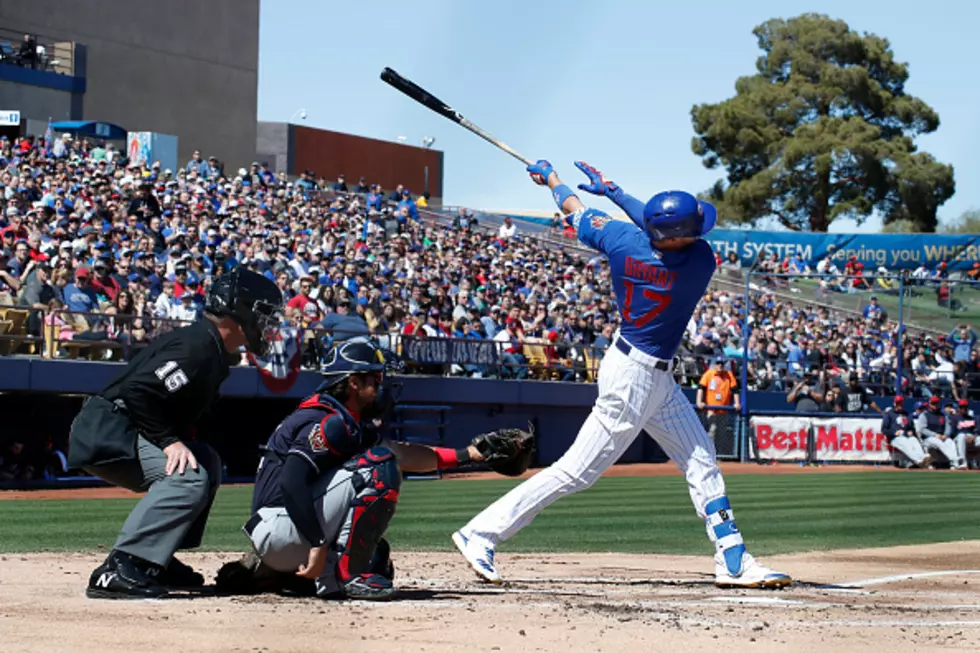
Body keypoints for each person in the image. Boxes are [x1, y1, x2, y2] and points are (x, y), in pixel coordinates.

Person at [452, 159, 790, 588]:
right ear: (680, 236)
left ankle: (733, 558)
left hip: (644, 372)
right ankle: (480, 532)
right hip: (635, 379)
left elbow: (574, 209)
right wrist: (615, 191)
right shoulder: (699, 261)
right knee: (576, 471)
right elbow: (660, 227)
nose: (701, 230)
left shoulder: (621, 241)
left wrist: (553, 180)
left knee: (701, 459)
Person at [216, 337, 523, 601]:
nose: (381, 385)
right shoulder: (328, 420)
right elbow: (292, 480)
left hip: (283, 530)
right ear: (353, 382)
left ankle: (272, 574)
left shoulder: (345, 419)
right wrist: (318, 544)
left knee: (377, 558)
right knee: (379, 465)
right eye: (375, 378)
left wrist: (470, 454)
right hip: (283, 526)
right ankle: (346, 578)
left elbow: (402, 454)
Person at [67, 268, 285, 599]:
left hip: (123, 425)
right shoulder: (198, 346)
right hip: (109, 428)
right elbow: (138, 393)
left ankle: (158, 558)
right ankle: (122, 565)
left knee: (205, 460)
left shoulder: (211, 347)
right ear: (239, 310)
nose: (268, 324)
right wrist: (169, 442)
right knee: (188, 476)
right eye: (263, 314)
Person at [696, 356, 740, 444]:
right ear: (714, 364)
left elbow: (735, 390)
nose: (720, 365)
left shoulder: (728, 375)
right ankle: (709, 452)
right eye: (718, 363)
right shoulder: (709, 374)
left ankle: (719, 455)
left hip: (724, 410)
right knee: (712, 429)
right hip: (711, 409)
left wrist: (737, 403)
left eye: (722, 364)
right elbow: (701, 388)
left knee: (722, 432)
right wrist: (699, 401)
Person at [880, 396, 930, 469]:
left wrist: (911, 432)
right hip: (895, 438)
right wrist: (894, 432)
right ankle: (918, 460)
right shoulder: (889, 414)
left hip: (907, 436)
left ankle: (922, 458)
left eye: (901, 403)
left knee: (914, 440)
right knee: (904, 442)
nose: (899, 405)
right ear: (894, 404)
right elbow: (884, 430)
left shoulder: (907, 414)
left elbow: (912, 428)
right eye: (898, 403)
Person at [914, 396, 959, 469]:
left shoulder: (943, 415)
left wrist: (946, 434)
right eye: (933, 403)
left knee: (950, 441)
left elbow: (948, 427)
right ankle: (954, 459)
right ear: (930, 404)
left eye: (936, 403)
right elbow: (922, 429)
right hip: (928, 439)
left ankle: (954, 464)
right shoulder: (925, 414)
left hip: (941, 436)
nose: (935, 405)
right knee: (938, 441)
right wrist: (934, 435)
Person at [950, 399, 977, 470]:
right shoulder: (954, 418)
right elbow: (953, 432)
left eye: (965, 407)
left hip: (971, 437)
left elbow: (976, 431)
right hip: (959, 437)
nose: (963, 409)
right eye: (962, 407)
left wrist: (973, 437)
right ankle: (963, 463)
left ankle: (975, 462)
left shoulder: (971, 418)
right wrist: (965, 436)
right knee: (961, 436)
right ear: (959, 408)